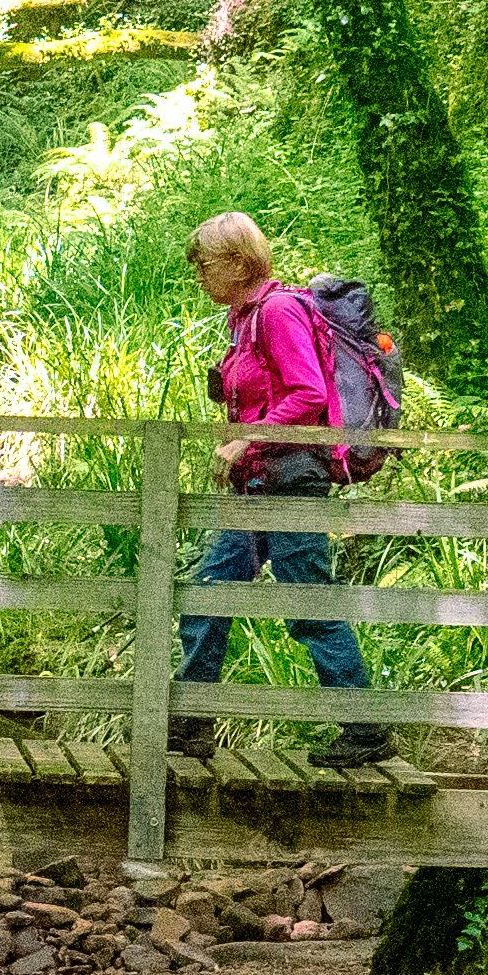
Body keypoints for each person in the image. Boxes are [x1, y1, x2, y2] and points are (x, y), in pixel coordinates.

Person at [173, 209, 377, 753]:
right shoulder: (242, 321)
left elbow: (308, 394)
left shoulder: (279, 311)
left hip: (291, 483)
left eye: (207, 265)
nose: (201, 276)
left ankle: (366, 727)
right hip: (256, 487)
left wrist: (248, 439)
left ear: (239, 263)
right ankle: (190, 723)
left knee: (308, 604)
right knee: (209, 595)